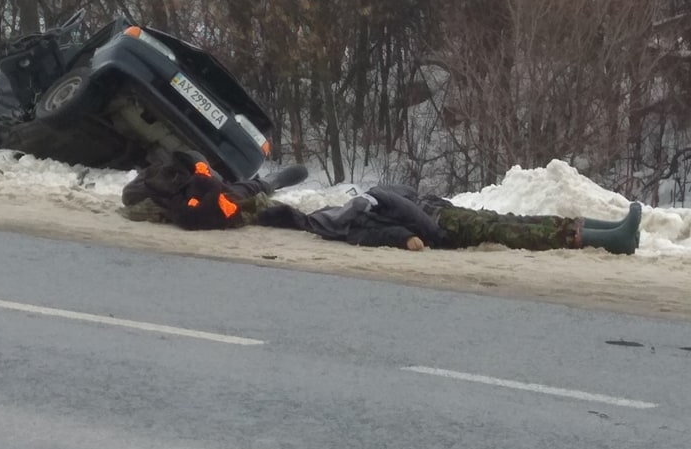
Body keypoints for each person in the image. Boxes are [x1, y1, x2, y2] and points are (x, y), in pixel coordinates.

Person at [253, 184, 642, 255]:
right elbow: (375, 235)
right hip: (442, 227)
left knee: (514, 218)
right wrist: (406, 239)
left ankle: (606, 229)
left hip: (441, 211)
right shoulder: (354, 225)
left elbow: (401, 195)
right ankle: (609, 239)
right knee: (510, 231)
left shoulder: (362, 206)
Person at [120, 150, 308, 230]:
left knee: (251, 187)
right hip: (222, 195)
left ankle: (272, 182)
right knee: (253, 188)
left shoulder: (150, 186)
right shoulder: (155, 192)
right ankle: (273, 181)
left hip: (216, 190)